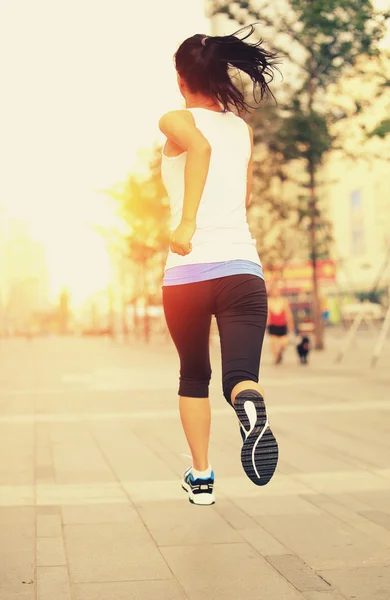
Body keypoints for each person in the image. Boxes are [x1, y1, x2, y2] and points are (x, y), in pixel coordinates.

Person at [159, 26, 279, 505]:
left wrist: (187, 222)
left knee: (193, 375)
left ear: (181, 78)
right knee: (240, 376)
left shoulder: (174, 119)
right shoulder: (242, 128)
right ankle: (247, 402)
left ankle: (202, 477)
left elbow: (199, 148)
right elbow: (244, 199)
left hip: (187, 274)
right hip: (242, 271)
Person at [267, 280, 294, 365]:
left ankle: (280, 354)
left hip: (282, 325)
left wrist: (290, 323)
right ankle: (276, 358)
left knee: (284, 343)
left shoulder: (283, 300)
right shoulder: (268, 301)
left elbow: (288, 313)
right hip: (273, 325)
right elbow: (267, 314)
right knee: (274, 344)